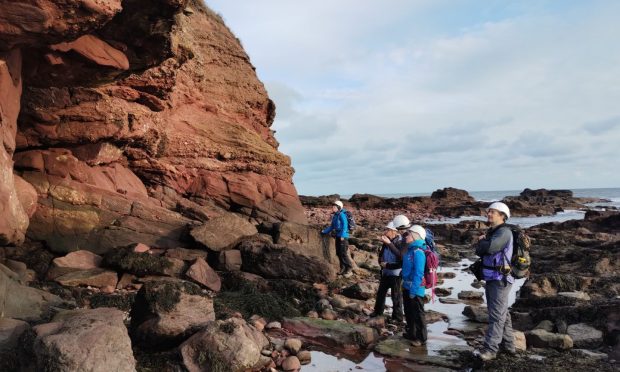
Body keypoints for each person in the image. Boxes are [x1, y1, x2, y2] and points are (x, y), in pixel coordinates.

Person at [474, 201, 515, 361]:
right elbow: (481, 249)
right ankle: (509, 346)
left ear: (502, 216)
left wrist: (483, 241)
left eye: (493, 212)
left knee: (496, 315)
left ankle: (490, 350)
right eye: (489, 211)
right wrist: (484, 241)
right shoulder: (494, 232)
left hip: (500, 278)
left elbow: (488, 248)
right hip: (493, 277)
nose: (489, 214)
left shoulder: (504, 232)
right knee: (501, 312)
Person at [383, 224, 428, 346]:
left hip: (416, 288)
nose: (405, 236)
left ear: (415, 236)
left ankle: (421, 338)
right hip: (407, 285)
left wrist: (413, 290)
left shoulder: (418, 252)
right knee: (408, 311)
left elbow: (419, 273)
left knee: (418, 313)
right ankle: (411, 333)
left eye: (408, 234)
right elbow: (405, 267)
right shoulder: (410, 250)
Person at [370, 221, 403, 322]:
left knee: (396, 296)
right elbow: (381, 254)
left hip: (396, 274)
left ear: (394, 231)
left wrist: (388, 265)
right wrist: (380, 261)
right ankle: (378, 312)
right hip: (386, 272)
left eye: (388, 230)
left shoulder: (400, 243)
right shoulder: (386, 241)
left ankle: (397, 318)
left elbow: (401, 260)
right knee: (380, 293)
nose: (386, 231)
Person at [321, 200, 354, 277]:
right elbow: (332, 226)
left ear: (339, 208)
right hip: (338, 236)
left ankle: (349, 268)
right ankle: (342, 268)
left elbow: (345, 225)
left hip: (343, 237)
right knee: (338, 253)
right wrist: (324, 231)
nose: (333, 208)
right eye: (333, 207)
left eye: (334, 207)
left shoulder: (342, 214)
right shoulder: (335, 215)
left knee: (343, 253)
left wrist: (343, 235)